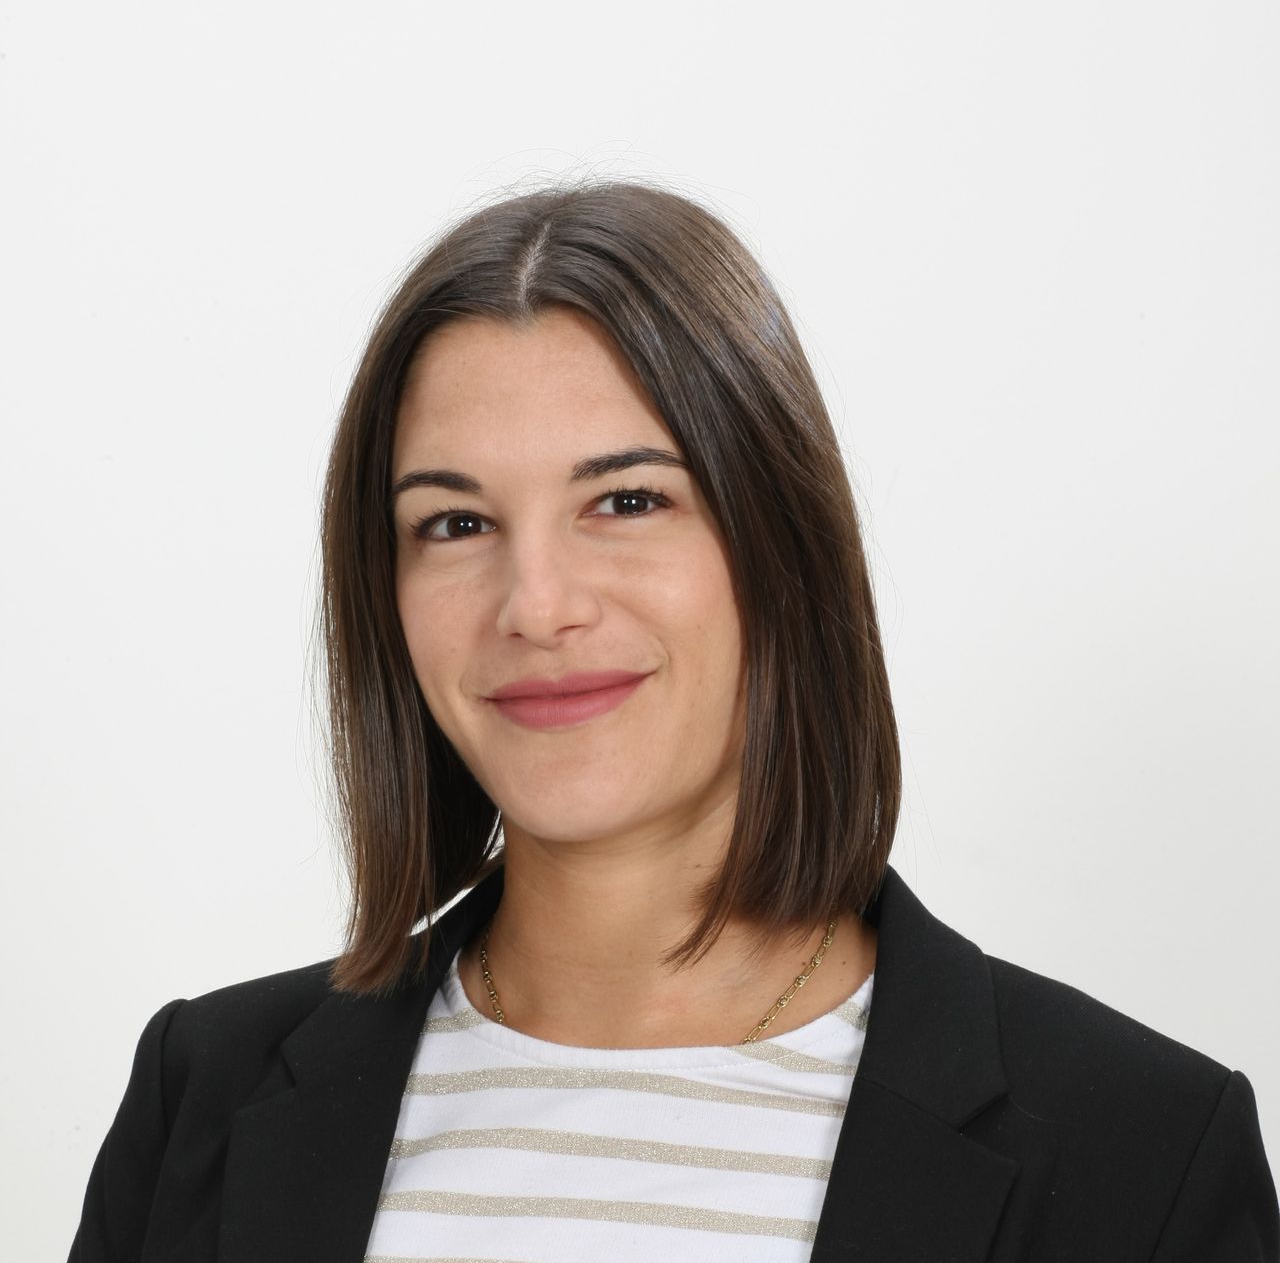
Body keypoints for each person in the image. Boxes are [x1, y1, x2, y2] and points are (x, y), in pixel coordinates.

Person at [69, 180, 1278, 1263]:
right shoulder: (201, 1097)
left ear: (780, 545)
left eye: (626, 499)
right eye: (455, 523)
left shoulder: (1141, 1155)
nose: (536, 604)